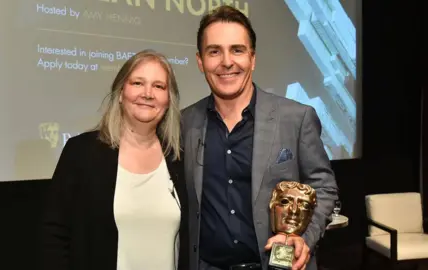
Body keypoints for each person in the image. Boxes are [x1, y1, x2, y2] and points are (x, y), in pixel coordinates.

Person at [181, 5, 339, 270]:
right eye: (214, 51)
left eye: (237, 50)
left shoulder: (296, 118)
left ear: (252, 59)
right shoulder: (184, 123)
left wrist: (305, 238)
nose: (226, 61)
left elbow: (324, 188)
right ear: (200, 61)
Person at [40, 49, 189, 270]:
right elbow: (54, 236)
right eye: (138, 83)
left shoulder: (177, 158)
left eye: (159, 86)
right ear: (120, 93)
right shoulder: (82, 152)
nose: (148, 93)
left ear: (168, 100)